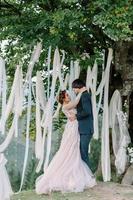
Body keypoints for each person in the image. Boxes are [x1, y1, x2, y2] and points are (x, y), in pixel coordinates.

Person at [35, 90, 96, 194]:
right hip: (72, 129)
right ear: (63, 99)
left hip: (74, 127)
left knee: (74, 149)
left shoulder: (68, 105)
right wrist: (82, 91)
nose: (69, 96)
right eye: (67, 95)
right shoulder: (65, 106)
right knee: (70, 148)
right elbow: (76, 102)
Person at [72, 79, 94, 169]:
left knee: (83, 153)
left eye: (74, 88)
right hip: (84, 129)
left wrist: (76, 116)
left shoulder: (84, 96)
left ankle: (89, 177)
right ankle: (86, 176)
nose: (73, 90)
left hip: (86, 129)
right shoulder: (84, 95)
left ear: (78, 86)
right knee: (82, 152)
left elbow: (87, 111)